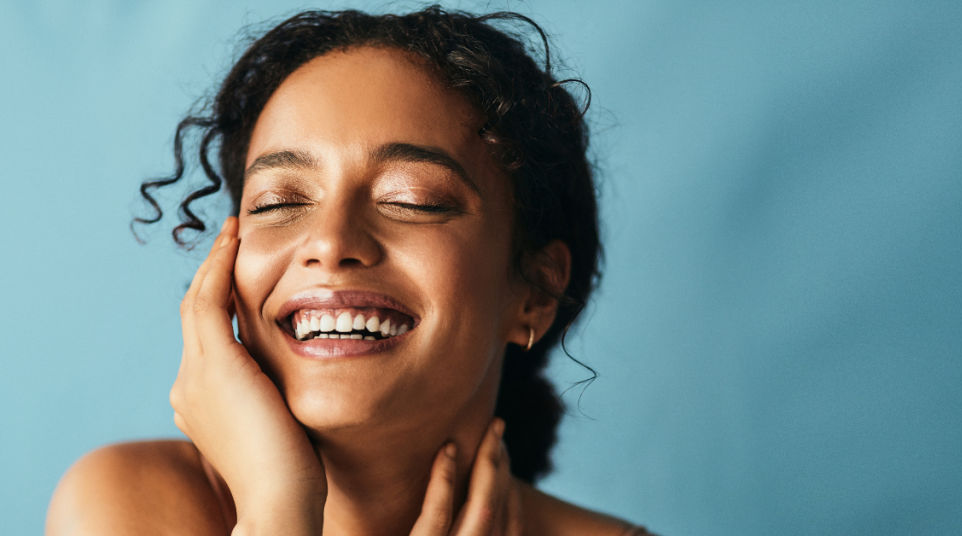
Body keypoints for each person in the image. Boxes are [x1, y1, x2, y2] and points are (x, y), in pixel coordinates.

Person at [46, 7, 652, 535]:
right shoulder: (125, 503)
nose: (330, 242)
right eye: (279, 202)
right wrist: (276, 509)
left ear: (538, 291)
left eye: (412, 199)